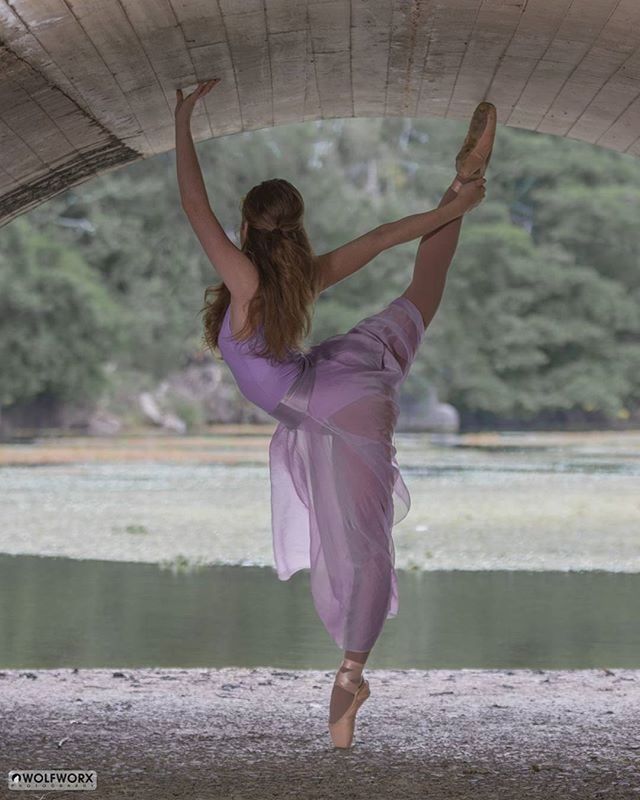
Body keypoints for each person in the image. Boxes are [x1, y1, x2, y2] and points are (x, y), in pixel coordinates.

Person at [175, 81, 496, 748]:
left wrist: (182, 118)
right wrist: (454, 206)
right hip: (338, 382)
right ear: (292, 225)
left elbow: (192, 204)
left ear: (247, 226)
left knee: (367, 546)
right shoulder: (298, 276)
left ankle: (350, 679)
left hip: (331, 407)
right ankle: (462, 184)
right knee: (421, 292)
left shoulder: (248, 282)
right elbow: (382, 238)